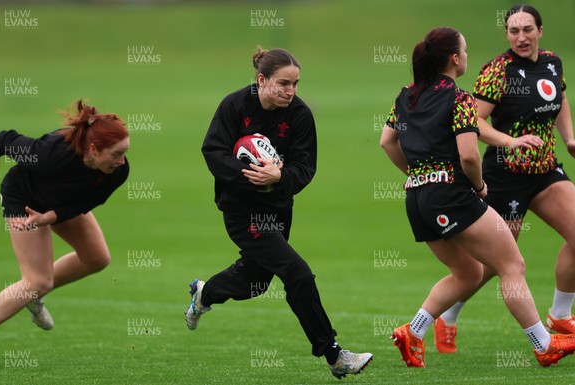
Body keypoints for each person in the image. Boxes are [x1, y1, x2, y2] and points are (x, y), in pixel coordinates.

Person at [380, 26, 575, 368]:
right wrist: (481, 188)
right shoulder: (460, 98)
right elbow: (469, 156)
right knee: (512, 265)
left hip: (417, 200)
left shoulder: (406, 95)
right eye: (465, 51)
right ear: (455, 59)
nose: (468, 56)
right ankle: (544, 344)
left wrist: (416, 174)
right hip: (452, 196)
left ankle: (413, 331)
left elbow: (387, 142)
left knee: (467, 273)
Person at [186, 46, 372, 379]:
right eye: (283, 83)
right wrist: (252, 175)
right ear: (262, 80)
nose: (291, 91)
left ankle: (205, 293)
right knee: (297, 273)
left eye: (296, 83)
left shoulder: (299, 115)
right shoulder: (234, 105)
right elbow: (212, 151)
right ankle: (334, 355)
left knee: (255, 282)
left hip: (278, 209)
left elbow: (305, 167)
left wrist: (280, 177)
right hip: (241, 210)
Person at [435, 4, 575, 354]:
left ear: (540, 31)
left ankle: (560, 315)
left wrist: (569, 138)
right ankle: (447, 314)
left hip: (545, 170)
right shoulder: (498, 71)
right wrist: (512, 142)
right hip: (505, 175)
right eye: (514, 31)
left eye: (527, 29)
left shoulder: (552, 62)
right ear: (507, 35)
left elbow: (559, 99)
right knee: (497, 264)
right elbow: (475, 122)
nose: (521, 37)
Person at [0, 100, 130, 366]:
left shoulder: (117, 172)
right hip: (23, 198)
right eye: (116, 153)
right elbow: (6, 139)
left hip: (58, 205)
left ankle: (33, 296)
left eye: (125, 152)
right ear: (94, 149)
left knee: (97, 258)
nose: (122, 160)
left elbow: (87, 202)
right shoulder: (51, 154)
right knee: (37, 281)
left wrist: (53, 216)